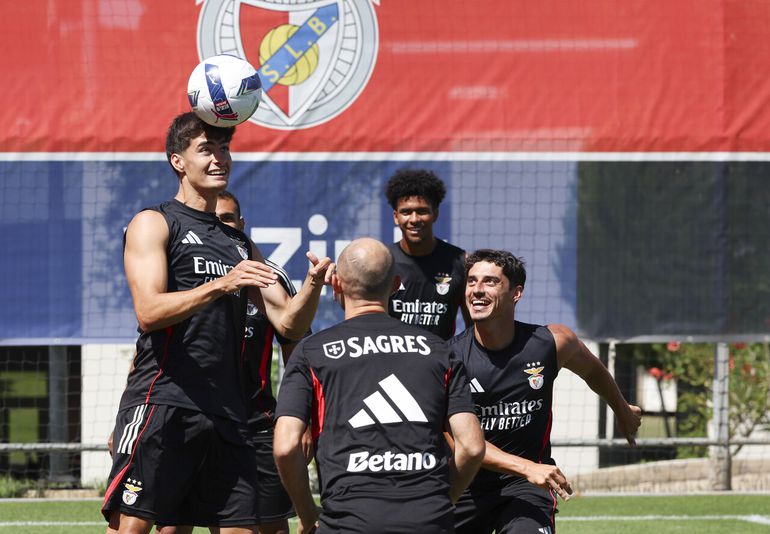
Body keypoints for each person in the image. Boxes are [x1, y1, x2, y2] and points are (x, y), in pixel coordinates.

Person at [102, 112, 332, 534]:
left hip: (229, 415)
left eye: (224, 149)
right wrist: (222, 284)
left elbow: (289, 325)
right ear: (177, 160)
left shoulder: (240, 243)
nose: (219, 159)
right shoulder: (154, 222)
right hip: (165, 402)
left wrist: (312, 287)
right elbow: (148, 311)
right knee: (131, 529)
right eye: (205, 149)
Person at [273, 238, 485, 534]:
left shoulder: (311, 352)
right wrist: (441, 500)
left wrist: (308, 514)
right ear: (397, 284)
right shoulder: (440, 351)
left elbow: (285, 447)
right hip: (428, 521)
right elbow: (473, 447)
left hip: (347, 523)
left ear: (336, 284)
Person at [450, 249, 642, 534]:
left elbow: (593, 371)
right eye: (471, 281)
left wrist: (622, 410)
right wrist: (527, 467)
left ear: (516, 293)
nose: (477, 290)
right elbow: (461, 444)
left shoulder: (552, 342)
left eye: (490, 282)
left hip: (525, 489)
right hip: (465, 486)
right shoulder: (449, 358)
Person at [153, 190, 307, 534]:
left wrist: (299, 419)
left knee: (268, 526)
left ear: (241, 226)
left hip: (254, 422)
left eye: (226, 219)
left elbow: (294, 348)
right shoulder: (183, 268)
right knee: (171, 527)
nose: (219, 225)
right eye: (212, 219)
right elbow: (149, 342)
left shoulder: (268, 276)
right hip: (187, 415)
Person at [385, 169, 470, 340]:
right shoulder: (383, 262)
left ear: (435, 214)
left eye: (422, 211)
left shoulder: (461, 262)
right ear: (396, 217)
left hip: (441, 364)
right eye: (406, 212)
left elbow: (473, 327)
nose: (414, 219)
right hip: (392, 364)